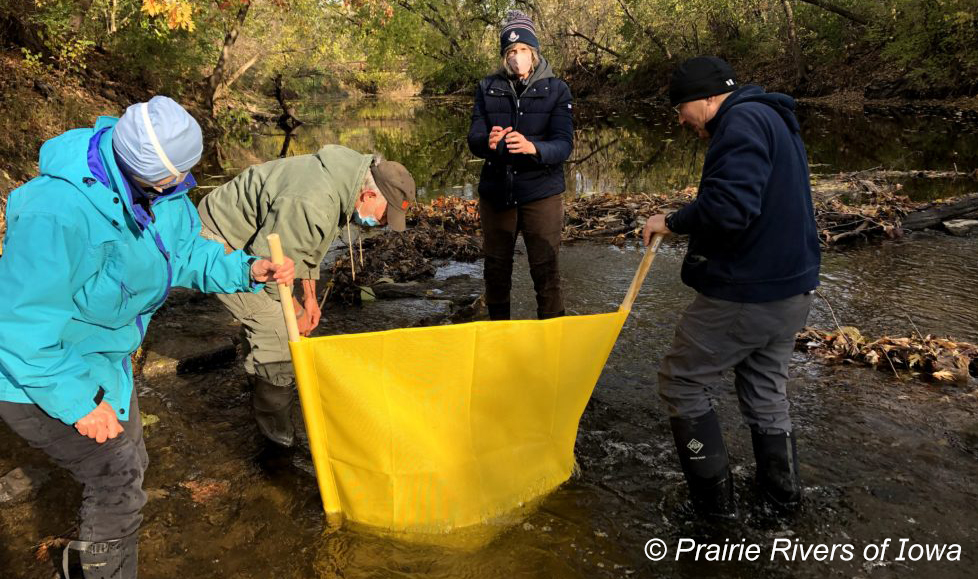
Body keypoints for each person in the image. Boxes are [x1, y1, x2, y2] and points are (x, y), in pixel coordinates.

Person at [0, 96, 294, 578]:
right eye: (176, 176)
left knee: (131, 461)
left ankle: (87, 564)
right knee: (115, 474)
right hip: (35, 373)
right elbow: (18, 329)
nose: (184, 184)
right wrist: (77, 403)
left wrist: (248, 269)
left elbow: (183, 256)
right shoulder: (57, 214)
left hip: (103, 359)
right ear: (145, 169)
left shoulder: (164, 193)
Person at [642, 57, 821, 518]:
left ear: (707, 97)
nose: (680, 119)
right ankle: (782, 505)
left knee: (681, 383)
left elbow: (730, 206)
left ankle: (713, 514)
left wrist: (673, 220)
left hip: (749, 289)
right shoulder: (770, 115)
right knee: (765, 392)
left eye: (681, 107)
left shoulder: (739, 121)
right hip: (793, 289)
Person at [197, 145, 417, 448]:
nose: (382, 224)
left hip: (254, 243)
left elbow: (307, 248)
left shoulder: (347, 179)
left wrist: (310, 299)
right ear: (369, 196)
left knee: (276, 324)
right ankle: (278, 438)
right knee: (278, 332)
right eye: (383, 217)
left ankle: (259, 381)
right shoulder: (314, 201)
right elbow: (271, 269)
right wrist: (297, 313)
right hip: (219, 242)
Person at [467, 10, 574, 321]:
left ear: (534, 52)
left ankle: (553, 339)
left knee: (546, 270)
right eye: (511, 51)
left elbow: (564, 145)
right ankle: (499, 337)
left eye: (523, 50)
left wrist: (533, 148)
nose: (517, 57)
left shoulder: (557, 89)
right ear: (504, 56)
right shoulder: (487, 87)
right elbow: (473, 137)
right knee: (496, 270)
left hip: (541, 192)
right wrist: (486, 140)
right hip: (497, 192)